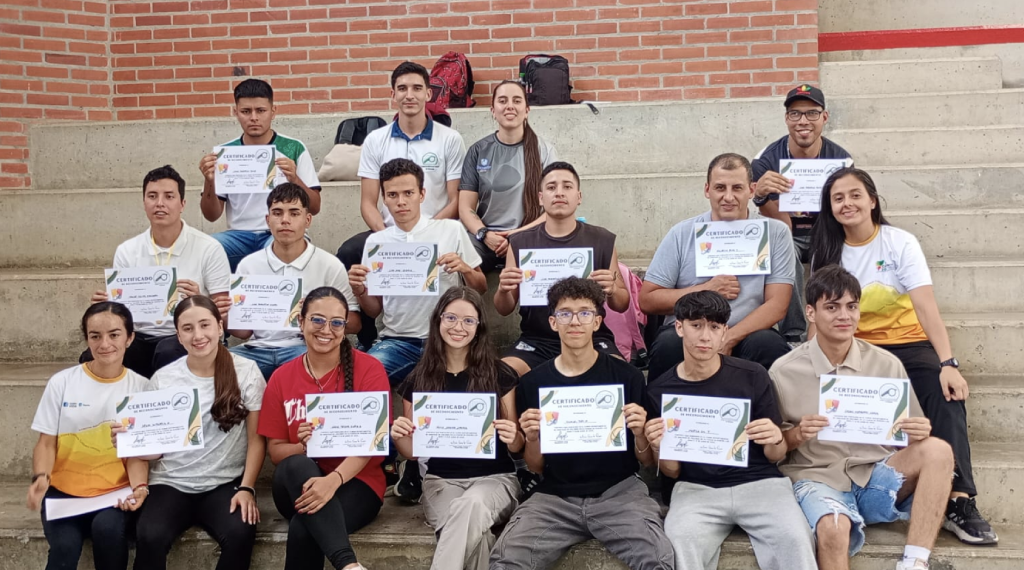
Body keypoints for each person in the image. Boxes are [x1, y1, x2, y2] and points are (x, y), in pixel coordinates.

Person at [808, 167, 997, 545]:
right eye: (838, 198)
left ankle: (959, 500)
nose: (848, 204)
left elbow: (925, 306)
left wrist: (948, 364)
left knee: (945, 394)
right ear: (830, 208)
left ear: (872, 201)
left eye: (855, 195)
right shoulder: (827, 251)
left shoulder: (899, 242)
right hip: (856, 349)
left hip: (908, 344)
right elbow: (819, 314)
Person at [770, 265, 956, 570]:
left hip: (874, 476)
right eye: (832, 307)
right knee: (832, 527)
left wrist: (916, 431)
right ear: (811, 313)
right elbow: (774, 450)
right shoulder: (783, 370)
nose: (844, 316)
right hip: (816, 478)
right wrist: (797, 434)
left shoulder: (886, 363)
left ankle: (914, 562)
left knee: (939, 450)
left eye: (851, 307)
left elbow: (905, 435)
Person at [490, 277, 674, 570]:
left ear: (598, 321)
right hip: (554, 498)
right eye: (565, 313)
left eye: (585, 312)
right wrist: (534, 437)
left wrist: (640, 434)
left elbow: (647, 462)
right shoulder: (534, 383)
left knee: (658, 559)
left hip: (620, 492)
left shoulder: (627, 376)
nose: (575, 321)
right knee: (506, 560)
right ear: (553, 322)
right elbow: (535, 466)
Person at [642, 290, 816, 570]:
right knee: (679, 540)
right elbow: (672, 471)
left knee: (796, 538)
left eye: (714, 327)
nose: (705, 336)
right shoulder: (661, 390)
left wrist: (775, 438)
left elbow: (775, 455)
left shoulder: (753, 375)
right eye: (696, 325)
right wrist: (660, 445)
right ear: (678, 327)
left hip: (760, 483)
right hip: (697, 489)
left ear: (725, 332)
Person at [129, 295, 265, 570]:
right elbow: (153, 449)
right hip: (170, 482)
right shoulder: (164, 379)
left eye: (205, 325)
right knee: (149, 535)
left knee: (241, 532)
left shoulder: (246, 371)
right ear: (178, 335)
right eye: (188, 328)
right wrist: (130, 440)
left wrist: (248, 487)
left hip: (223, 483)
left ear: (219, 326)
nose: (198, 335)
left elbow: (256, 439)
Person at [390, 287, 522, 570]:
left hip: (496, 479)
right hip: (441, 482)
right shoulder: (419, 379)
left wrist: (514, 436)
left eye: (468, 320)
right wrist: (399, 434)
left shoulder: (500, 375)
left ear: (479, 327)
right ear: (438, 321)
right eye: (450, 318)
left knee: (469, 506)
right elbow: (413, 453)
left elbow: (517, 446)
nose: (458, 327)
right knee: (479, 536)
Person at [258, 286, 390, 570]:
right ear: (301, 322)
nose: (326, 329)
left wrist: (333, 480)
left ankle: (347, 565)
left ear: (345, 327)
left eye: (336, 322)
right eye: (317, 319)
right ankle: (350, 565)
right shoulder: (281, 377)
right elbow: (276, 452)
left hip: (358, 482)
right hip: (295, 484)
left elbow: (373, 442)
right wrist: (302, 446)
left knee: (303, 528)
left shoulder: (369, 369)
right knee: (296, 464)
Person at [337, 61, 466, 349]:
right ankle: (368, 335)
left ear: (428, 94)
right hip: (389, 228)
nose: (410, 95)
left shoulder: (450, 139)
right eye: (402, 88)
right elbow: (368, 202)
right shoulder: (375, 140)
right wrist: (388, 237)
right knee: (350, 251)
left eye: (417, 88)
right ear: (393, 94)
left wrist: (425, 231)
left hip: (436, 229)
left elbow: (456, 199)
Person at [640, 153, 795, 381]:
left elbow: (778, 304)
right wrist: (706, 290)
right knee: (668, 343)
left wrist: (728, 337)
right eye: (720, 188)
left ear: (752, 190)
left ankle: (761, 414)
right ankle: (658, 414)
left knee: (768, 344)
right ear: (707, 190)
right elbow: (647, 299)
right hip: (689, 329)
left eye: (737, 188)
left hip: (747, 331)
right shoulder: (681, 233)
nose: (728, 197)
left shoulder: (775, 233)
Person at [28, 303, 150, 570]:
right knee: (64, 548)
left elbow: (137, 452)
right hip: (63, 494)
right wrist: (41, 478)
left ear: (130, 338)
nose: (104, 343)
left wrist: (139, 488)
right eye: (95, 336)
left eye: (114, 334)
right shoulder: (62, 382)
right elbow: (46, 443)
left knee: (108, 533)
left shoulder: (142, 388)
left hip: (113, 494)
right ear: (87, 339)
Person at [85, 165, 231, 378]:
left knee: (167, 351)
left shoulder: (208, 248)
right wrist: (108, 306)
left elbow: (223, 314)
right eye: (152, 196)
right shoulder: (127, 250)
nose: (160, 203)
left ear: (182, 204)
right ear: (144, 203)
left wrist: (200, 301)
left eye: (169, 196)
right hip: (139, 334)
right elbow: (120, 317)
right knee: (95, 355)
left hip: (184, 334)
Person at [349, 158, 485, 387]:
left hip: (448, 339)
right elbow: (374, 310)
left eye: (408, 193)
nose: (401, 202)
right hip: (398, 341)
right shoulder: (377, 242)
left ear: (422, 194)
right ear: (384, 198)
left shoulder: (450, 229)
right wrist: (360, 290)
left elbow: (481, 287)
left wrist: (465, 269)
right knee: (360, 381)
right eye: (392, 195)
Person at [495, 161, 629, 377]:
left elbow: (622, 304)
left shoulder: (602, 239)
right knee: (501, 374)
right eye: (551, 187)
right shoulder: (520, 242)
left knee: (621, 373)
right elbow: (503, 309)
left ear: (579, 196)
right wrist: (503, 289)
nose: (559, 193)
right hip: (537, 340)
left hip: (591, 338)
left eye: (567, 186)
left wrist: (612, 289)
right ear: (540, 198)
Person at [751, 84, 853, 343]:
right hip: (784, 227)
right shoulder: (765, 160)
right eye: (795, 114)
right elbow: (769, 212)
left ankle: (824, 329)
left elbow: (846, 206)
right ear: (786, 118)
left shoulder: (841, 159)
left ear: (824, 117)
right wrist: (760, 194)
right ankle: (795, 333)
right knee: (784, 245)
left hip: (825, 226)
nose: (803, 121)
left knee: (830, 249)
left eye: (812, 113)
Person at [230, 183, 361, 381]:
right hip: (257, 349)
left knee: (324, 362)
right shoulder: (249, 265)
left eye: (294, 213)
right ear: (268, 220)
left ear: (307, 219)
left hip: (306, 348)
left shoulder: (329, 265)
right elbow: (242, 332)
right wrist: (225, 313)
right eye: (277, 213)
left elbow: (355, 324)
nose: (285, 220)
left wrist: (318, 314)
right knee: (217, 366)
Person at [199, 78, 322, 270]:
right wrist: (209, 181)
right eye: (246, 111)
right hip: (238, 235)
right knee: (205, 250)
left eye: (261, 110)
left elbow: (314, 207)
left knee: (282, 248)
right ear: (236, 112)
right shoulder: (226, 153)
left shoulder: (293, 148)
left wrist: (294, 179)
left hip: (277, 232)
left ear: (273, 112)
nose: (254, 117)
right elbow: (211, 215)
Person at [458, 80, 558, 273]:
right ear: (493, 110)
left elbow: (552, 209)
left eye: (517, 100)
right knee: (458, 256)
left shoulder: (544, 151)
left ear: (527, 110)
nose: (509, 106)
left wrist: (516, 235)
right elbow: (465, 207)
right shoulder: (478, 151)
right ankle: (467, 303)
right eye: (502, 101)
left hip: (530, 235)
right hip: (485, 239)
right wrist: (484, 234)